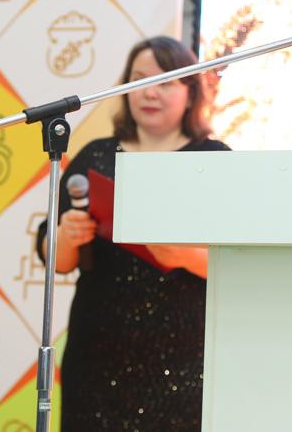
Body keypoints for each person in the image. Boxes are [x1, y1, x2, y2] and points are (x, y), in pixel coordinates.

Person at [37, 36, 229, 431]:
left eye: (165, 82)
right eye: (139, 80)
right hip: (97, 351)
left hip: (185, 356)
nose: (149, 92)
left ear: (190, 92)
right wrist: (65, 237)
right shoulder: (96, 155)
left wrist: (184, 255)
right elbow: (55, 259)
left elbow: (241, 263)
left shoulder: (214, 161)